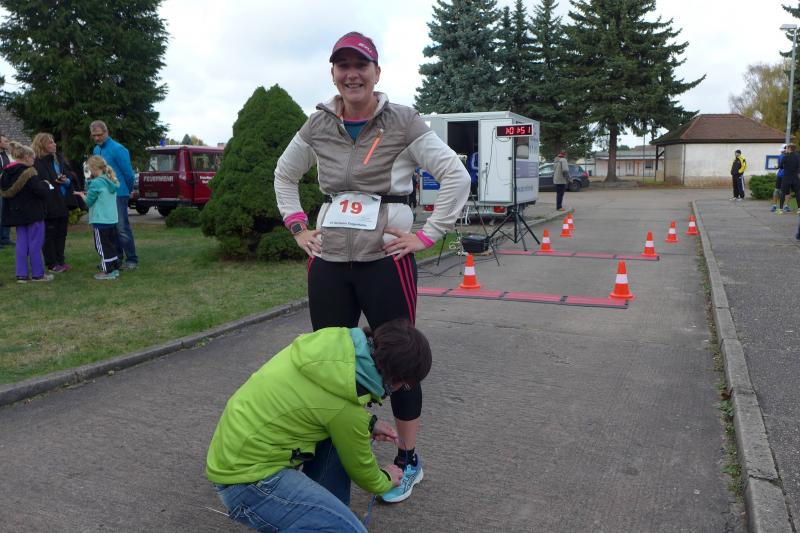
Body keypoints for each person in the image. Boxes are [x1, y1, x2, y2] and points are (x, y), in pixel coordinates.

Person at [274, 31, 470, 504]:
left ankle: (408, 459)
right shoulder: (318, 123)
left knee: (400, 361)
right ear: (333, 74)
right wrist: (298, 226)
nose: (352, 75)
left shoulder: (402, 120)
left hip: (385, 260)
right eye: (343, 66)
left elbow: (455, 175)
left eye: (360, 65)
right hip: (329, 261)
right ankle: (330, 454)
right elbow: (284, 174)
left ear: (376, 72)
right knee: (328, 362)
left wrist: (428, 234)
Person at [206, 319, 432, 532]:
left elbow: (319, 405)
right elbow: (363, 470)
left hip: (234, 458)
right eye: (405, 385)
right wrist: (386, 479)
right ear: (394, 379)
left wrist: (369, 424)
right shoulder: (346, 407)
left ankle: (323, 512)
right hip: (248, 484)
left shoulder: (336, 349)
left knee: (334, 500)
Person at [0, 141, 53, 282]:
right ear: (27, 157)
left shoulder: (6, 173)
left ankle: (21, 274)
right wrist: (45, 185)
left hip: (17, 213)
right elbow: (39, 191)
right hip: (33, 212)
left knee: (21, 244)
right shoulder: (29, 172)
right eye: (33, 158)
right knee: (35, 243)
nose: (33, 161)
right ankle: (38, 274)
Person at [90, 120, 138, 269]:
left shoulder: (118, 149)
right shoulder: (96, 150)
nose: (97, 138)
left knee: (121, 227)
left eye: (99, 135)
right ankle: (114, 260)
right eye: (94, 135)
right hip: (103, 196)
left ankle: (132, 259)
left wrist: (126, 191)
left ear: (106, 132)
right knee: (109, 228)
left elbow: (129, 174)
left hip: (119, 193)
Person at [33, 133, 75, 273]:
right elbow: (41, 182)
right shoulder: (37, 162)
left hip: (63, 200)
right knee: (50, 234)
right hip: (49, 203)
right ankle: (52, 263)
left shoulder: (58, 159)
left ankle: (60, 260)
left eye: (53, 142)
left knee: (61, 233)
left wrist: (66, 180)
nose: (54, 144)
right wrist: (54, 181)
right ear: (42, 145)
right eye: (50, 142)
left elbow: (69, 175)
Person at [76, 156, 121, 280]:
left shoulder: (96, 183)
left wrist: (81, 195)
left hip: (100, 220)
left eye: (90, 168)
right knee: (111, 245)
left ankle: (107, 271)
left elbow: (89, 202)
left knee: (101, 247)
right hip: (112, 219)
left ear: (94, 168)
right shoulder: (111, 180)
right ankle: (114, 268)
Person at [0, 134, 14, 248]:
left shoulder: (6, 155)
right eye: (5, 141)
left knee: (6, 213)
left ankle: (5, 238)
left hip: (7, 188)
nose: (7, 143)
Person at [779, 144, 799, 215]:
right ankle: (799, 209)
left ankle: (780, 210)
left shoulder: (785, 157)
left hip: (786, 177)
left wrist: (785, 166)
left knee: (783, 193)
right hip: (795, 177)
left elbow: (780, 166)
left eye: (787, 148)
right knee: (797, 193)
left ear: (790, 149)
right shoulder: (798, 156)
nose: (786, 150)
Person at [771, 145, 787, 212]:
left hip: (786, 176)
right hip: (781, 175)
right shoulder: (781, 156)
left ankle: (785, 206)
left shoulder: (789, 156)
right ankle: (775, 206)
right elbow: (780, 165)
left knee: (786, 191)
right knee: (777, 190)